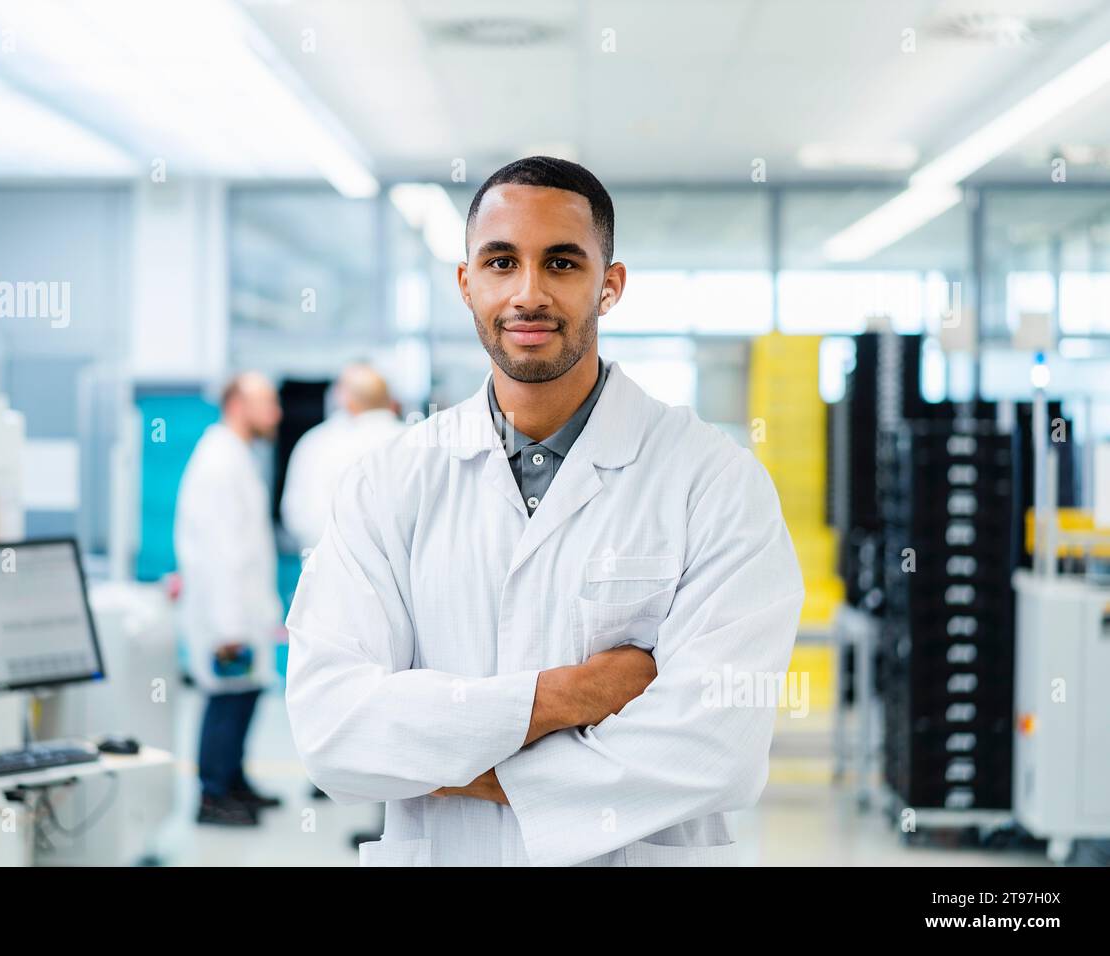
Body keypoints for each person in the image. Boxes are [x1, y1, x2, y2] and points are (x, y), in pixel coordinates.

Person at [284, 156, 804, 866]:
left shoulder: (714, 482)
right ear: (467, 283)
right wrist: (569, 695)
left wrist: (445, 763)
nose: (528, 293)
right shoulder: (389, 483)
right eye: (501, 262)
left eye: (561, 264)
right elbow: (332, 728)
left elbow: (716, 751)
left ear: (609, 285)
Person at [175, 372, 286, 826]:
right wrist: (228, 629)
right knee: (225, 700)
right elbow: (220, 553)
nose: (276, 414)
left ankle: (234, 781)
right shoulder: (219, 462)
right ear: (238, 404)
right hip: (227, 616)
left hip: (244, 610)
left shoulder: (237, 456)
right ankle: (212, 796)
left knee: (244, 696)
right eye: (267, 403)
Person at [280, 363, 407, 556]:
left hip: (332, 572)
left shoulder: (317, 445)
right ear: (389, 399)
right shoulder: (415, 443)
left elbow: (299, 518)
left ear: (345, 400)